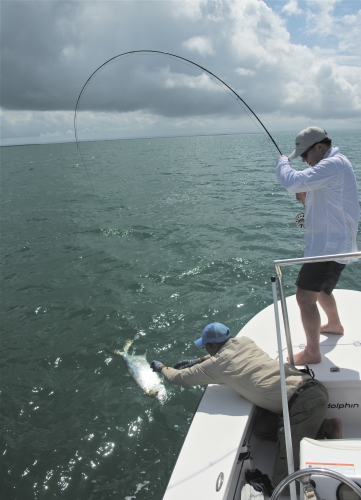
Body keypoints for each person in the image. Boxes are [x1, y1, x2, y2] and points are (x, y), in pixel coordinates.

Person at [150, 322, 342, 489]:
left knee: (284, 483)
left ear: (213, 345)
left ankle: (330, 431)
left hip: (303, 403)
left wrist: (161, 368)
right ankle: (323, 427)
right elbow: (228, 356)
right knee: (261, 428)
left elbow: (178, 378)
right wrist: (198, 361)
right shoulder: (245, 341)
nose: (206, 351)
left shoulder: (216, 366)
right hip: (310, 389)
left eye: (206, 348)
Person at [276, 127, 360, 365]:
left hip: (328, 248)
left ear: (320, 147)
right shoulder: (335, 165)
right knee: (322, 290)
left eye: (304, 155)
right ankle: (334, 324)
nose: (303, 160)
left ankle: (312, 353)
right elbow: (329, 198)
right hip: (332, 246)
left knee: (304, 298)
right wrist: (308, 197)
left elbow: (290, 181)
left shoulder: (333, 165)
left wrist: (283, 162)